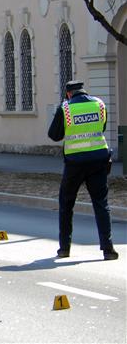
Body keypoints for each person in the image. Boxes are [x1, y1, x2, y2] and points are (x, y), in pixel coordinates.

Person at [48, 80, 118, 260]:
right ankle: (108, 249)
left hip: (75, 163)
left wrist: (62, 115)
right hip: (98, 160)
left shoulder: (66, 108)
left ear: (69, 94)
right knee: (101, 204)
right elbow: (101, 128)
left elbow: (54, 135)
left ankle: (64, 248)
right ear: (83, 91)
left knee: (66, 204)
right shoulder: (99, 104)